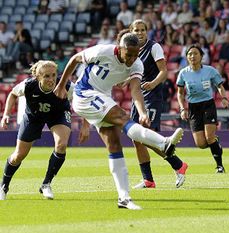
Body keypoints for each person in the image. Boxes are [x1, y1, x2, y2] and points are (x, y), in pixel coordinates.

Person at [53, 32, 184, 210]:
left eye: (135, 54)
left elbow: (136, 90)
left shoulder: (137, 64)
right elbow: (75, 59)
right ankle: (163, 143)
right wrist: (61, 85)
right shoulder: (103, 51)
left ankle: (124, 198)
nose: (131, 58)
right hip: (84, 94)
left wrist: (142, 111)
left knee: (114, 145)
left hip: (102, 98)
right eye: (128, 54)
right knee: (123, 118)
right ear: (119, 49)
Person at [0, 60, 90, 200]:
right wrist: (6, 114)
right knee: (19, 155)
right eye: (47, 76)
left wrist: (85, 125)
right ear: (38, 77)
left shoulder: (65, 85)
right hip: (33, 116)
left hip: (58, 115)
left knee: (61, 145)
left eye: (53, 75)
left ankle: (46, 184)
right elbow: (12, 94)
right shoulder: (28, 85)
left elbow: (83, 100)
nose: (51, 79)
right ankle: (4, 186)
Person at [128, 19, 188, 189]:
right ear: (131, 32)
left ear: (147, 32)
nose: (139, 33)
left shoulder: (153, 47)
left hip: (152, 96)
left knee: (147, 137)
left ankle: (178, 165)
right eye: (136, 30)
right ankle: (148, 180)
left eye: (142, 30)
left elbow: (164, 72)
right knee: (136, 138)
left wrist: (153, 84)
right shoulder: (132, 50)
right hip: (137, 96)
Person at [177, 45, 229, 173]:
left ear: (201, 56)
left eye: (195, 53)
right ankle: (216, 143)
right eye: (190, 54)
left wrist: (223, 97)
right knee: (201, 144)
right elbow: (180, 93)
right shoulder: (183, 73)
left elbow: (219, 86)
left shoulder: (210, 70)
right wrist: (182, 108)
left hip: (208, 104)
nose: (192, 56)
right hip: (193, 107)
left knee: (209, 137)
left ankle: (220, 166)